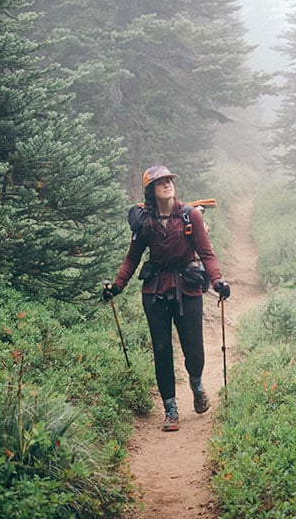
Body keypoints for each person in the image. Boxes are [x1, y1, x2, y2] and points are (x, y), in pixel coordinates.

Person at [102, 165, 230, 432]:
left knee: (193, 349)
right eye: (160, 182)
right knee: (161, 351)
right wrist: (117, 285)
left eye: (169, 180)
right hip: (155, 291)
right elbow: (132, 258)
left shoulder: (190, 216)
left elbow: (206, 253)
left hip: (189, 289)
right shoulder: (144, 222)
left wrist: (217, 280)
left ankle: (196, 383)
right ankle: (170, 410)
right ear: (151, 190)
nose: (167, 185)